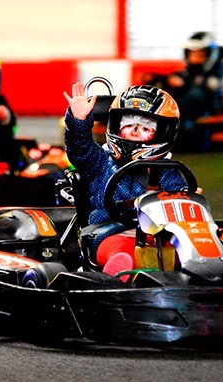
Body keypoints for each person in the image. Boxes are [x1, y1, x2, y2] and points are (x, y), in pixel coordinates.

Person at [63, 82, 188, 277]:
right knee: (124, 250)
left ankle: (221, 268)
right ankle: (121, 275)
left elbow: (180, 210)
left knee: (191, 245)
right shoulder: (100, 161)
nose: (135, 132)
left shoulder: (169, 171)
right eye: (128, 125)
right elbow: (80, 149)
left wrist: (185, 199)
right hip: (110, 232)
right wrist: (79, 121)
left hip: (160, 237)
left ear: (164, 132)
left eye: (146, 128)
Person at [160, 32, 223, 143]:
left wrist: (184, 84)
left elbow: (208, 88)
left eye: (199, 54)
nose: (195, 58)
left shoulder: (217, 71)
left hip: (205, 108)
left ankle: (179, 129)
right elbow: (183, 77)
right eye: (192, 54)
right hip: (186, 110)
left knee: (194, 95)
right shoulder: (189, 71)